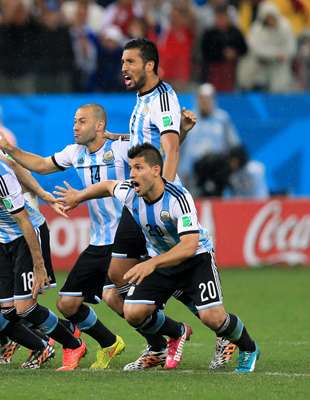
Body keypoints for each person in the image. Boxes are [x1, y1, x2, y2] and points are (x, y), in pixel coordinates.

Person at [54, 142, 260, 373]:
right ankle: (173, 335)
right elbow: (107, 185)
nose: (131, 174)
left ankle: (249, 347)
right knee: (133, 313)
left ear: (156, 171)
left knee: (212, 318)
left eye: (138, 168)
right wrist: (79, 197)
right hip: (160, 262)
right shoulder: (130, 192)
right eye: (131, 168)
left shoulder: (178, 199)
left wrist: (150, 263)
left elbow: (190, 246)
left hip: (195, 261)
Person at [117, 37, 235, 370]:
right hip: (140, 195)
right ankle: (162, 338)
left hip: (156, 199)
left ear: (149, 65)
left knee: (125, 278)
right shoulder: (142, 99)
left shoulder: (163, 98)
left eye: (130, 62)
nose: (123, 68)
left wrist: (163, 192)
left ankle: (196, 332)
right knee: (118, 281)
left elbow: (169, 150)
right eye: (123, 62)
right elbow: (156, 145)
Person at [0, 103, 129, 370]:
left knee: (134, 302)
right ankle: (109, 343)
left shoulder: (122, 148)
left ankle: (163, 340)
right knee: (67, 303)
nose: (75, 127)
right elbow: (42, 166)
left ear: (100, 125)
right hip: (99, 240)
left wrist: (176, 131)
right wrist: (10, 150)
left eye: (82, 122)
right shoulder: (74, 152)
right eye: (74, 121)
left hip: (129, 240)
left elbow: (155, 152)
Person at [0, 121, 88, 371]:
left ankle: (73, 345)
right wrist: (44, 195)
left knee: (25, 308)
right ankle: (64, 332)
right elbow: (14, 164)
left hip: (27, 235)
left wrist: (39, 265)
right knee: (9, 311)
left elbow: (24, 220)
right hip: (2, 239)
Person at [178, 83, 241, 196]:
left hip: (216, 169)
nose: (204, 102)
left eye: (207, 99)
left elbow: (234, 144)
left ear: (213, 100)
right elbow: (179, 145)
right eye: (201, 99)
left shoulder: (222, 119)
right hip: (191, 170)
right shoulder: (188, 118)